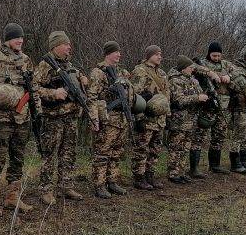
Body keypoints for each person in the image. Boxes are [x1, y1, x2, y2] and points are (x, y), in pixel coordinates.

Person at [0, 23, 40, 214]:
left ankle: (13, 198)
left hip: (22, 118)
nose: (20, 41)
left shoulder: (26, 60)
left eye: (21, 38)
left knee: (18, 159)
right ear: (6, 39)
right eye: (15, 38)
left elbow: (33, 88)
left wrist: (37, 111)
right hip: (0, 119)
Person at [32, 31, 91, 204]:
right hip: (53, 118)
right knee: (49, 154)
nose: (69, 47)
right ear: (56, 46)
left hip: (71, 117)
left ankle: (66, 186)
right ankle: (46, 190)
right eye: (66, 44)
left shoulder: (70, 66)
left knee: (68, 154)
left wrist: (83, 81)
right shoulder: (44, 65)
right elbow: (33, 89)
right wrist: (53, 93)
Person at [87, 41, 133, 198]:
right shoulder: (98, 73)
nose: (119, 54)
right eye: (116, 52)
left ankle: (112, 181)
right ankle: (99, 184)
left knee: (116, 152)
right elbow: (91, 97)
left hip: (121, 118)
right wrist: (94, 119)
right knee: (102, 152)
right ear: (108, 54)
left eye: (120, 52)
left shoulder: (122, 73)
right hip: (107, 118)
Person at [130, 45, 169, 190]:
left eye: (161, 54)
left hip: (160, 119)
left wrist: (167, 115)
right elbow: (134, 97)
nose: (160, 57)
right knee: (141, 149)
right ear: (149, 55)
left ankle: (150, 175)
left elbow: (167, 96)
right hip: (146, 118)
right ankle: (139, 178)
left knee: (155, 149)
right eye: (157, 54)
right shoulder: (140, 71)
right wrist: (139, 117)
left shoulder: (163, 73)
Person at [194, 41, 235, 173]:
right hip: (207, 104)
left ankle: (215, 165)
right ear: (209, 54)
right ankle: (194, 167)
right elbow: (194, 67)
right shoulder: (202, 63)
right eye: (214, 55)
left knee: (219, 135)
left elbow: (239, 72)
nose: (216, 58)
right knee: (200, 135)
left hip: (223, 105)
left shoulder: (226, 64)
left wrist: (229, 76)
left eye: (218, 55)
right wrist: (211, 73)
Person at [166, 56, 209, 184]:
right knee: (176, 147)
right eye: (190, 68)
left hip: (191, 120)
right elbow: (178, 100)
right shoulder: (175, 81)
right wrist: (197, 98)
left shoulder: (194, 81)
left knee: (186, 147)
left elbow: (200, 94)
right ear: (184, 68)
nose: (192, 70)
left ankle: (182, 171)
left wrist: (205, 97)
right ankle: (173, 173)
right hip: (179, 120)